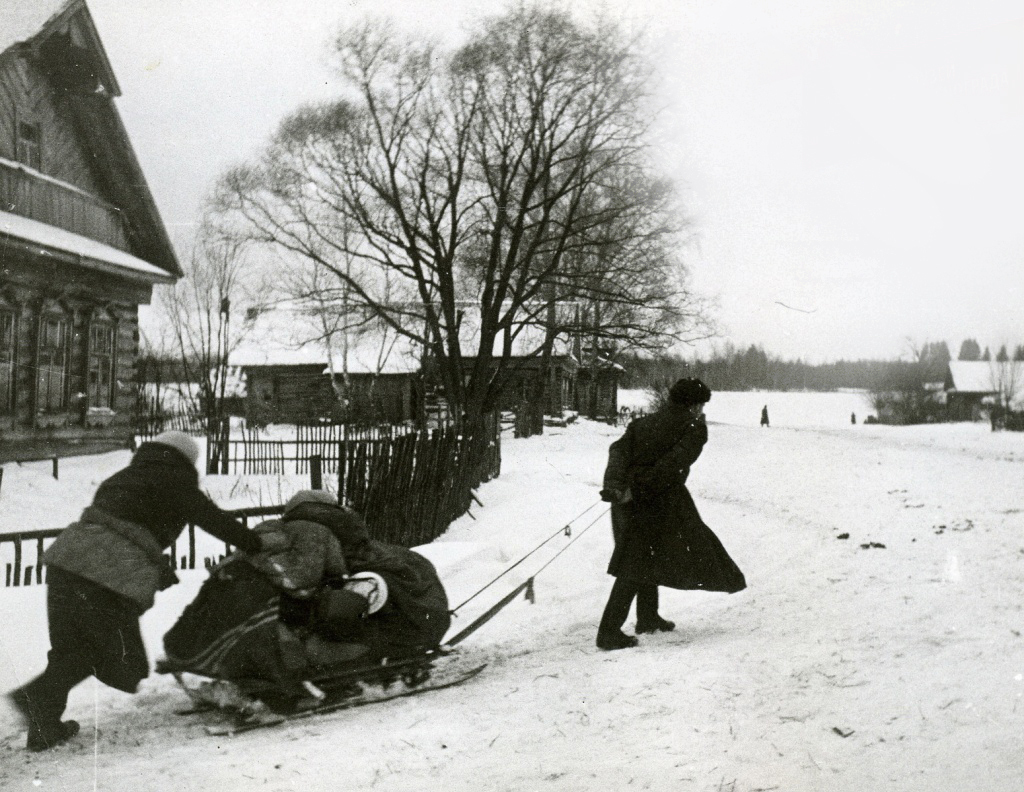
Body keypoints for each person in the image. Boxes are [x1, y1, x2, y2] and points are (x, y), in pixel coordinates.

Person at [6, 431, 288, 751]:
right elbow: (212, 520)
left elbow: (127, 527)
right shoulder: (175, 479)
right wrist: (259, 543)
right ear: (186, 459)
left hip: (66, 563)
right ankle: (34, 701)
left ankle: (43, 727)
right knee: (118, 657)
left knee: (70, 648)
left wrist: (155, 564)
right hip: (104, 575)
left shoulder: (124, 477)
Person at [596, 377, 746, 651]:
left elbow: (617, 451)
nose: (701, 410)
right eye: (700, 405)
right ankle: (608, 632)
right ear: (693, 405)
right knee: (636, 561)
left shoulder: (643, 423)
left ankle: (648, 617)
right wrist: (636, 489)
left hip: (629, 500)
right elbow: (671, 466)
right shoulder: (693, 428)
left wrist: (616, 487)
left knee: (644, 556)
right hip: (659, 501)